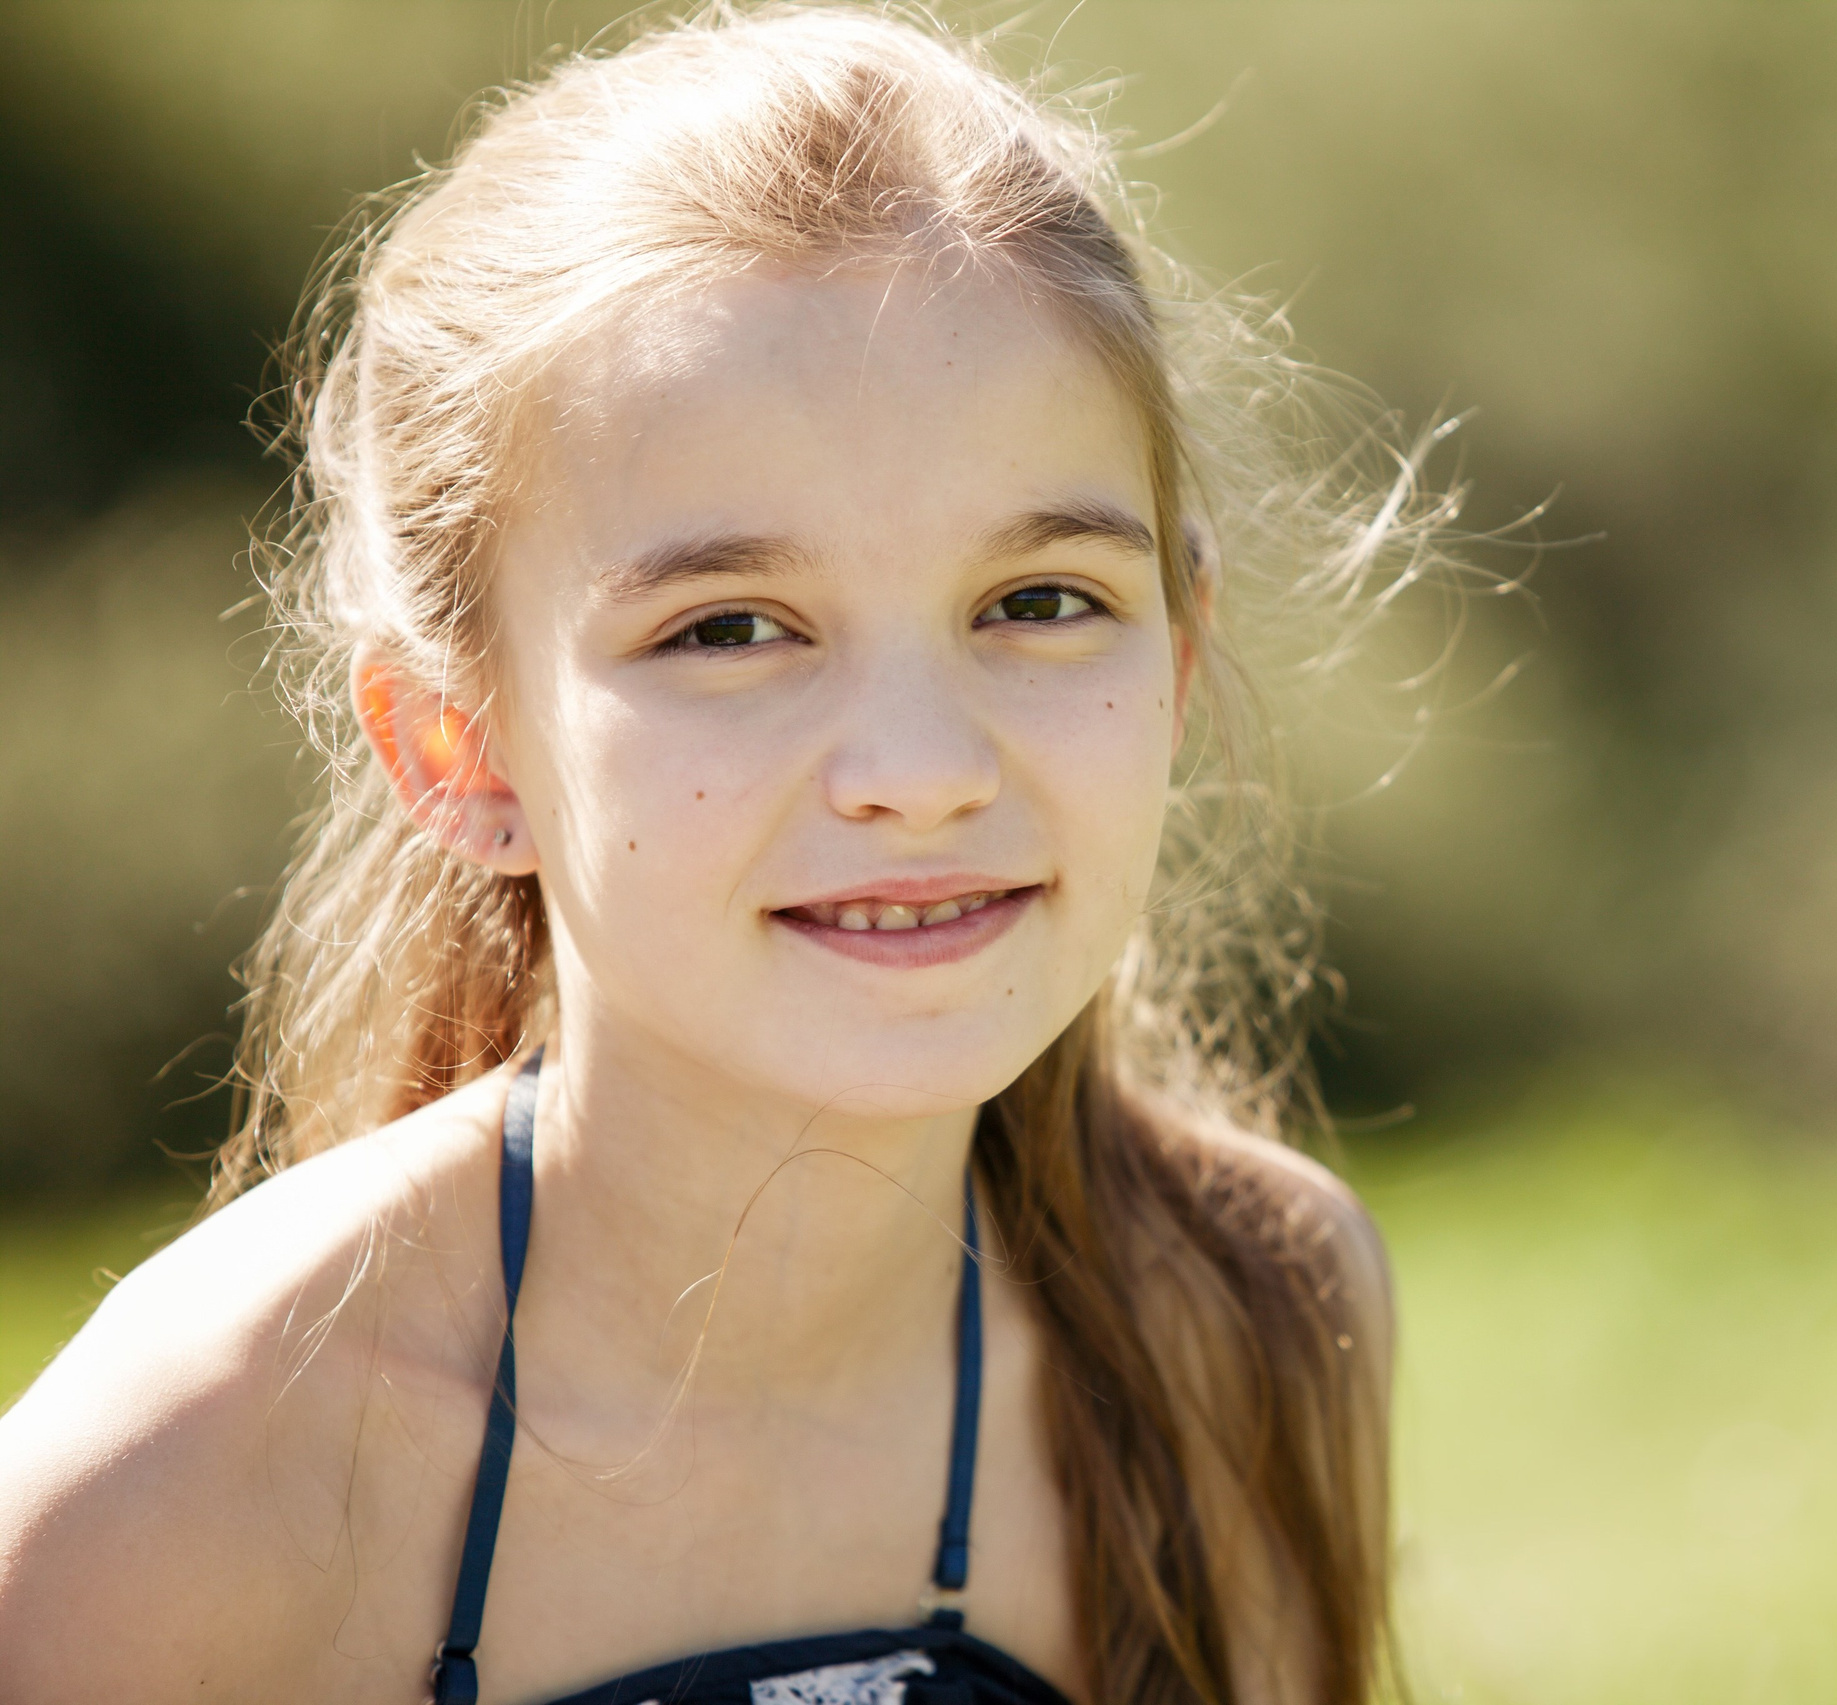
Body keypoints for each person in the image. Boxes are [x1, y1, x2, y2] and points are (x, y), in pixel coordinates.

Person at [0, 6, 1430, 1700]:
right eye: (732, 628)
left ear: (1177, 662)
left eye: (1041, 602)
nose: (919, 772)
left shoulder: (1242, 1322)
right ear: (459, 747)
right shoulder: (180, 1488)